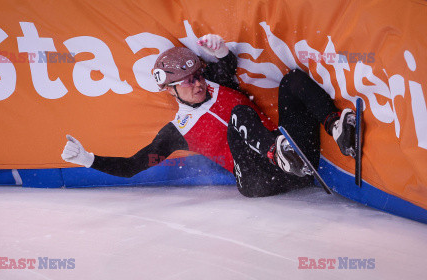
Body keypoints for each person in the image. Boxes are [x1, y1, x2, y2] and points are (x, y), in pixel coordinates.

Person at [61, 34, 356, 197]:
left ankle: (337, 129)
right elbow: (131, 166)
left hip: (295, 158)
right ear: (172, 90)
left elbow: (226, 64)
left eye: (199, 75)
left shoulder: (217, 83)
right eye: (189, 81)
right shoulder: (176, 132)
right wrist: (88, 159)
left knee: (292, 80)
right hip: (257, 180)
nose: (199, 83)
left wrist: (222, 51)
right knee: (239, 113)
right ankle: (277, 153)